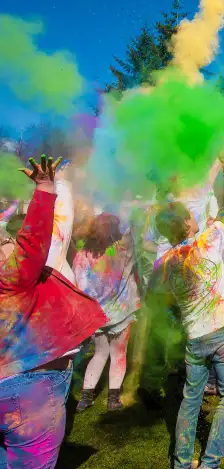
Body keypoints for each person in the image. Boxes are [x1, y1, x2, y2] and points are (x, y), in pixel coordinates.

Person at [0, 155, 107, 467]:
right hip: (29, 387)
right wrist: (49, 186)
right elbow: (39, 239)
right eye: (7, 243)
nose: (11, 246)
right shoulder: (13, 279)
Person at [152, 140, 224, 469]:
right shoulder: (207, 241)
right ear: (189, 224)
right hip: (223, 332)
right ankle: (209, 463)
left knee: (191, 398)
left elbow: (162, 301)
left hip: (194, 337)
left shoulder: (165, 263)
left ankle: (181, 463)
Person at [73, 213, 140, 412]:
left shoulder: (81, 255)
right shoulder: (122, 251)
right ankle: (113, 399)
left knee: (100, 353)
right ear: (114, 231)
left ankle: (86, 397)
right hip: (121, 313)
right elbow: (134, 229)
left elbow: (79, 286)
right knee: (118, 353)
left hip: (97, 316)